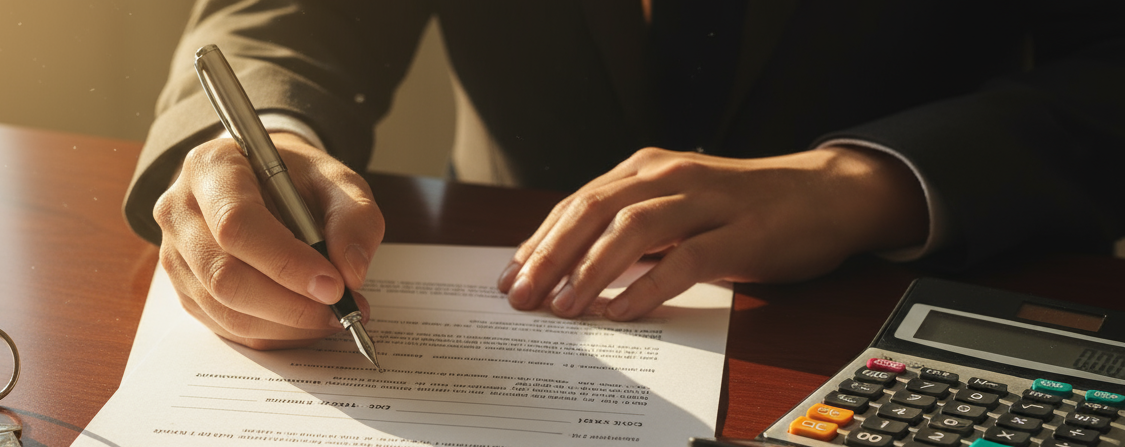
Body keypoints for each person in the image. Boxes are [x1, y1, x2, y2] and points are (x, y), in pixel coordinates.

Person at [124, 1, 1125, 350]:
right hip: (509, 285)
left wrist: (864, 183)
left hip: (872, 321)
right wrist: (275, 145)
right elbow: (288, 14)